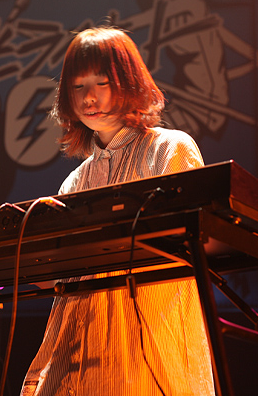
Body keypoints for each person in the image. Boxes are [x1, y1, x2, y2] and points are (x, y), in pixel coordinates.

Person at [20, 27, 215, 395]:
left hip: (147, 352)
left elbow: (188, 248)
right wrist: (31, 260)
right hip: (76, 356)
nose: (89, 97)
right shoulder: (74, 182)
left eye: (102, 82)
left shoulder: (169, 149)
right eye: (77, 86)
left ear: (129, 83)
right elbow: (61, 284)